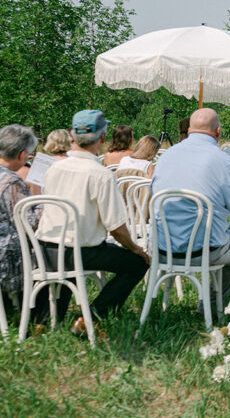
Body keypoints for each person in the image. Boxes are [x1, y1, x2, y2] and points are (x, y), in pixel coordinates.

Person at [37, 110, 149, 332]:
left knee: (74, 251)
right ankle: (93, 318)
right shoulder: (100, 174)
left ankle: (42, 320)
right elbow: (116, 227)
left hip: (45, 249)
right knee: (136, 264)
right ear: (103, 138)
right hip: (80, 252)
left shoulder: (52, 167)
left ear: (72, 136)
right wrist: (136, 249)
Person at [151, 108, 230, 312]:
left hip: (162, 248)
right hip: (204, 252)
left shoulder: (165, 157)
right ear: (218, 132)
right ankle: (209, 305)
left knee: (224, 232)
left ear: (189, 130)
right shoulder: (223, 161)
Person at [0, 125, 42, 320]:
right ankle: (40, 314)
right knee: (57, 254)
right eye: (29, 156)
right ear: (21, 154)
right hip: (6, 260)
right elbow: (27, 224)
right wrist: (43, 202)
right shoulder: (11, 182)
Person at [24, 129, 73, 195]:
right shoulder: (75, 162)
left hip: (47, 202)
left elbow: (34, 190)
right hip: (70, 203)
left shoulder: (42, 162)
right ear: (69, 142)